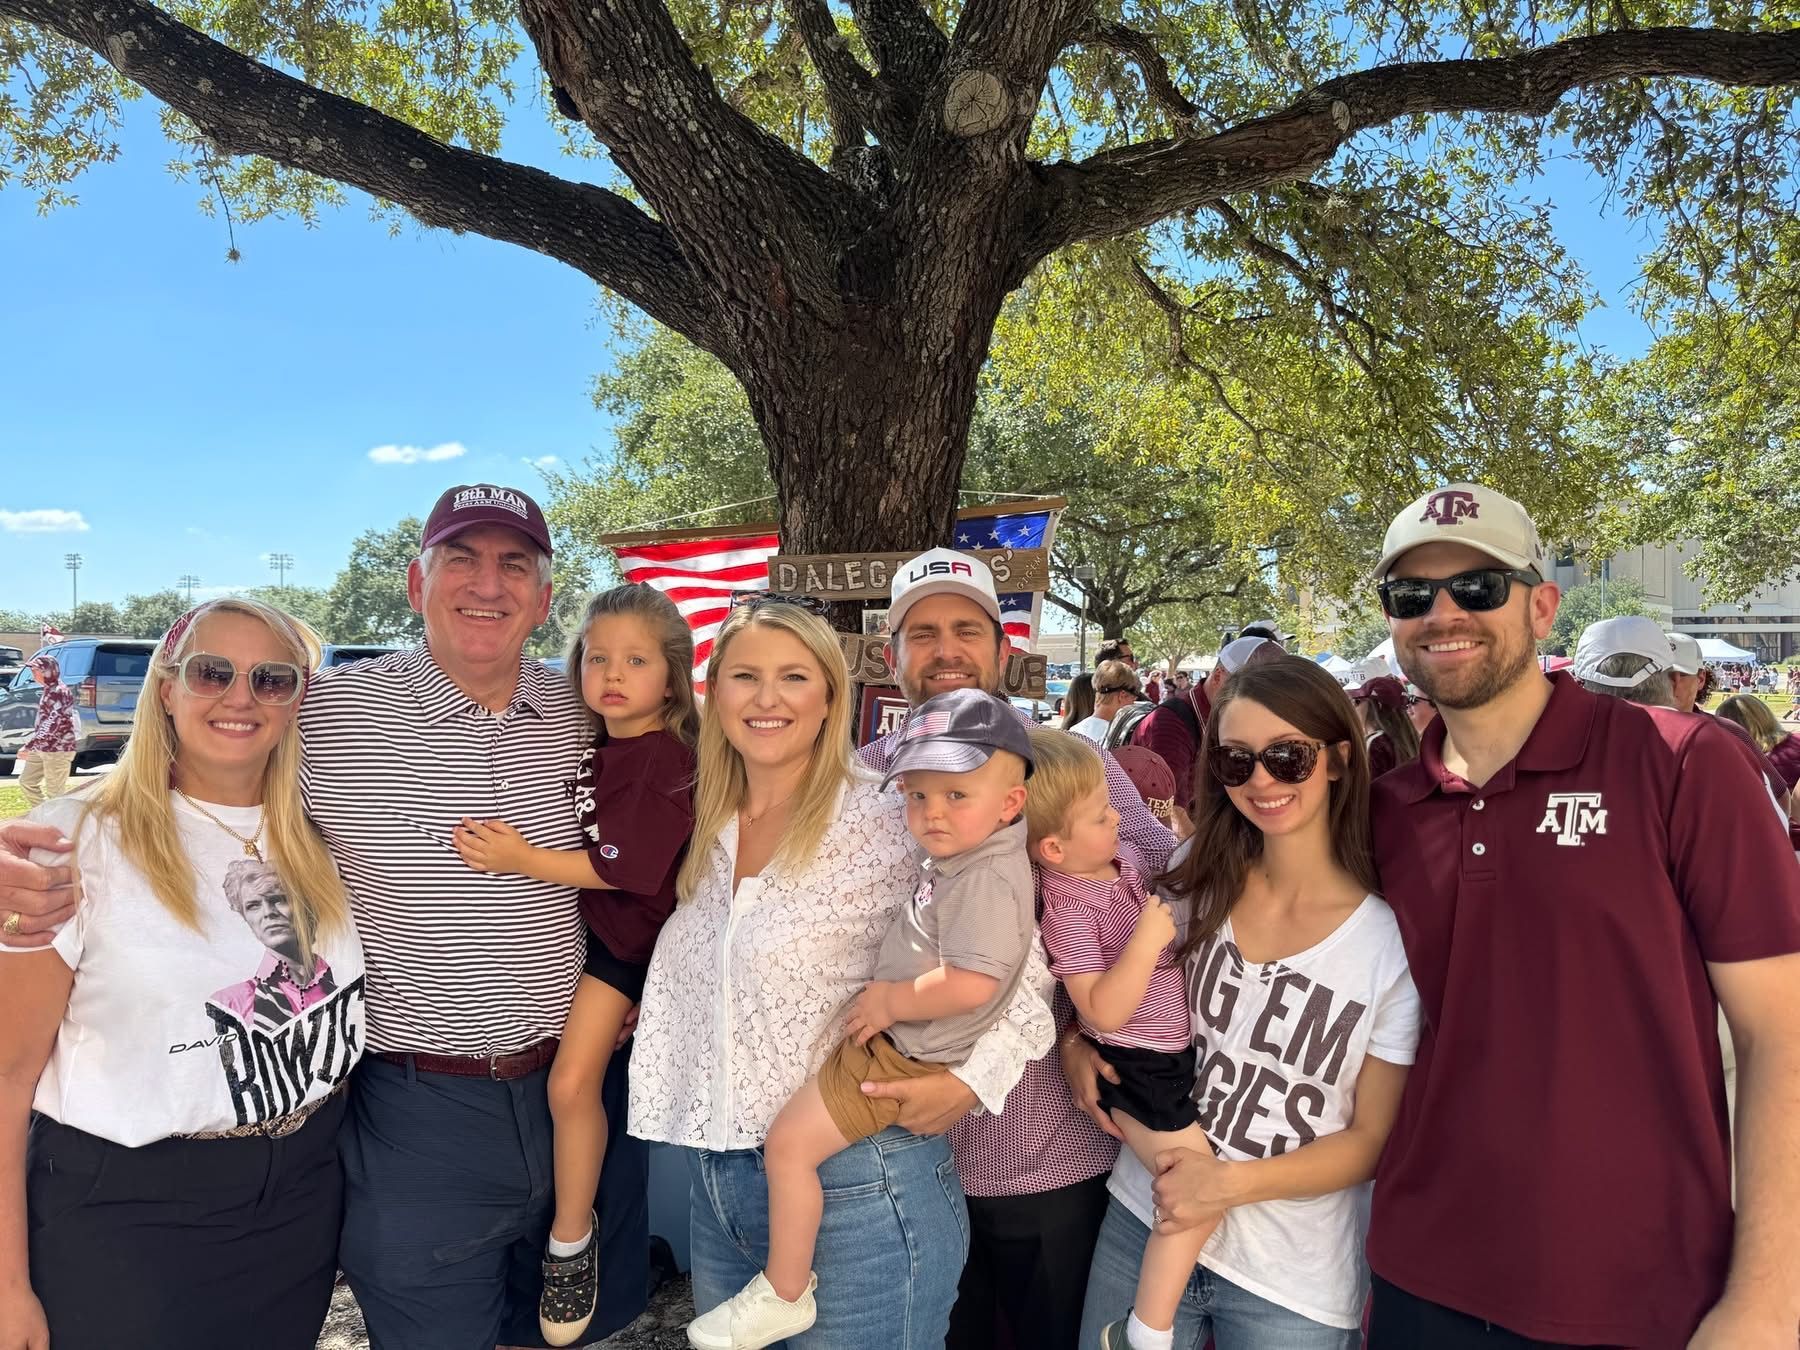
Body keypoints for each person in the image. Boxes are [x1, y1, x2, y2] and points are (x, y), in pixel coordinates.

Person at [1364, 483, 1800, 1347]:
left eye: (1478, 587)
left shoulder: (1682, 765)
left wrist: (1767, 1300)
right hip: (1418, 1279)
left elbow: (1779, 1037)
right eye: (1412, 596)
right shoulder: (1386, 811)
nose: (1444, 613)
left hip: (1643, 1293)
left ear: (1542, 606)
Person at [627, 600, 1051, 1350]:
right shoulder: (695, 818)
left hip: (862, 1187)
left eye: (794, 677)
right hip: (718, 1185)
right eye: (745, 677)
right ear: (713, 690)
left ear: (830, 696)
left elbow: (1021, 969)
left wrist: (970, 1080)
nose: (767, 698)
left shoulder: (890, 816)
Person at [0, 598, 365, 1350]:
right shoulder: (72, 840)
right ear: (166, 688)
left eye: (271, 678)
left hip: (301, 1194)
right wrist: (6, 1285)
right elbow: (6, 1077)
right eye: (211, 672)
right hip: (130, 1213)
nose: (240, 697)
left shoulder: (325, 826)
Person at [861, 548, 1176, 1350]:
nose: (946, 648)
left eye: (968, 628)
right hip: (901, 1163)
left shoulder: (1071, 763)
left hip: (1052, 1162)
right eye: (921, 632)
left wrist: (1081, 1029)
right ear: (890, 656)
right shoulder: (864, 786)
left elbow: (1166, 883)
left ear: (1005, 650)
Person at [1071, 655, 1419, 1349]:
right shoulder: (1186, 882)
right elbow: (1109, 997)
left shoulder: (1390, 939)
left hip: (1290, 1276)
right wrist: (1075, 1045)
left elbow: (1369, 1140)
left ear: (1339, 760)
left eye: (1287, 757)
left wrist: (1223, 1187)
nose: (1261, 781)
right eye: (1236, 761)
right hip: (1144, 1217)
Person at [450, 583, 699, 1346]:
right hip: (592, 938)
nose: (612, 674)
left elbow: (626, 870)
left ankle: (570, 1242)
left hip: (626, 946)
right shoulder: (605, 740)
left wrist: (519, 858)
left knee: (569, 1082)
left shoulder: (663, 757)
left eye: (635, 660)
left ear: (673, 676)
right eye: (596, 658)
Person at [1025, 729, 1220, 1350]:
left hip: (1166, 1059)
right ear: (1053, 847)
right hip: (1135, 1067)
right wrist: (1144, 942)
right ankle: (1147, 1330)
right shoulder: (1067, 906)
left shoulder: (1121, 865)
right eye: (1103, 815)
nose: (1119, 819)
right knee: (1197, 1191)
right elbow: (1101, 1011)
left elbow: (1177, 860)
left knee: (1193, 1188)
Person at [16, 654, 77, 808]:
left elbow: (52, 723)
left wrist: (29, 746)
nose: (33, 674)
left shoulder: (59, 692)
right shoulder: (49, 690)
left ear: (47, 671)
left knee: (55, 793)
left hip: (58, 749)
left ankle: (59, 825)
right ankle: (43, 815)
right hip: (42, 747)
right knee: (27, 782)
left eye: (36, 670)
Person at [1344, 658, 1419, 778]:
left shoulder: (1376, 744)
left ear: (1377, 702)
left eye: (1357, 700)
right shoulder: (1408, 736)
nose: (1351, 706)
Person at [1072, 659, 1141, 743]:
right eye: (1133, 697)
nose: (1133, 703)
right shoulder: (1117, 738)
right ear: (1122, 695)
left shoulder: (1074, 731)